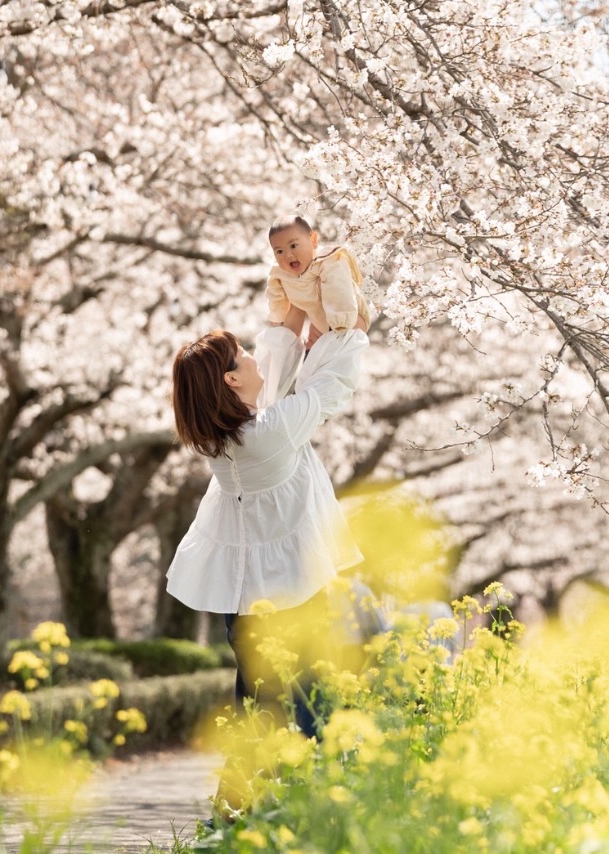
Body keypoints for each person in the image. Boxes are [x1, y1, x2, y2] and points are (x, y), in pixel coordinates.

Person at [166, 323, 370, 743]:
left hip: (243, 600)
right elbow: (332, 387)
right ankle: (297, 801)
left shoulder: (219, 441)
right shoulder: (270, 433)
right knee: (304, 711)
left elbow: (272, 374)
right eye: (243, 352)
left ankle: (241, 807)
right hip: (288, 593)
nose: (253, 354)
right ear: (231, 379)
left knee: (258, 709)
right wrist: (347, 331)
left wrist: (295, 311)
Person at [266, 215, 373, 348]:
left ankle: (334, 345)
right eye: (279, 251)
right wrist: (277, 317)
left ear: (313, 240)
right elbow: (275, 293)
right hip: (319, 320)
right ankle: (304, 354)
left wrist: (340, 322)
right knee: (312, 344)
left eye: (293, 246)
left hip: (350, 316)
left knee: (336, 348)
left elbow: (338, 290)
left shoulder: (328, 261)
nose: (288, 255)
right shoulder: (280, 273)